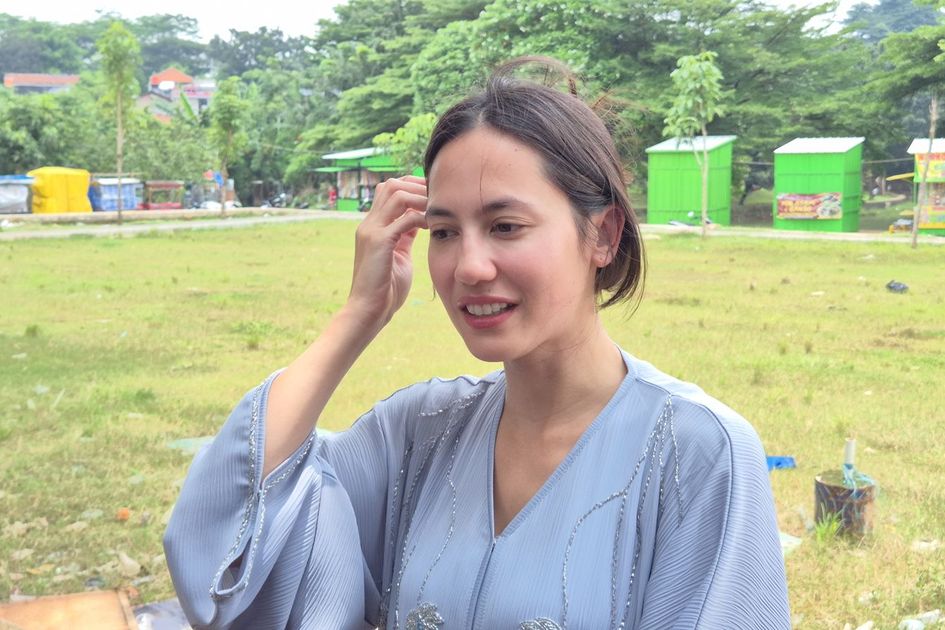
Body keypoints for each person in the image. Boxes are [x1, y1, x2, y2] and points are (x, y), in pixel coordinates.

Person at [164, 58, 791, 629]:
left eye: (505, 226)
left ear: (603, 234)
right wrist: (358, 315)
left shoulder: (695, 454)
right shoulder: (417, 435)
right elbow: (231, 548)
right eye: (444, 231)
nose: (469, 266)